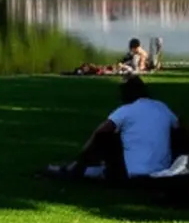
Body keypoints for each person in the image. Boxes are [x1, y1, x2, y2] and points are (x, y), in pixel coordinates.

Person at [50, 76, 183, 182]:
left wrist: (82, 155)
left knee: (104, 137)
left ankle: (75, 169)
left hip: (132, 174)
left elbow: (100, 131)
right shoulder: (162, 107)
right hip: (162, 171)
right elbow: (178, 127)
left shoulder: (126, 110)